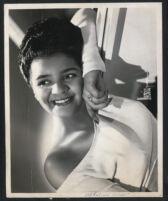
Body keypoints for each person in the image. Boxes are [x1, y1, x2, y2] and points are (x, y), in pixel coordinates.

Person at [18, 17, 157, 193]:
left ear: (82, 72)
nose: (59, 89)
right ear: (33, 89)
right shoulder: (58, 164)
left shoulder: (107, 103)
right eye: (44, 82)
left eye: (69, 75)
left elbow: (85, 16)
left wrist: (92, 68)